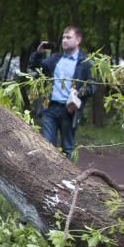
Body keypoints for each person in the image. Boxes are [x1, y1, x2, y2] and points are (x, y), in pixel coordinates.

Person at [29, 25, 95, 158]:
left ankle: (69, 177)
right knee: (47, 146)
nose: (64, 40)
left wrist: (79, 92)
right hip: (50, 108)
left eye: (68, 37)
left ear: (78, 40)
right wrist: (38, 53)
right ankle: (47, 176)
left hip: (69, 110)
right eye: (63, 37)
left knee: (68, 148)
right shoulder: (55, 59)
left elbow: (93, 87)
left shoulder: (85, 62)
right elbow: (36, 67)